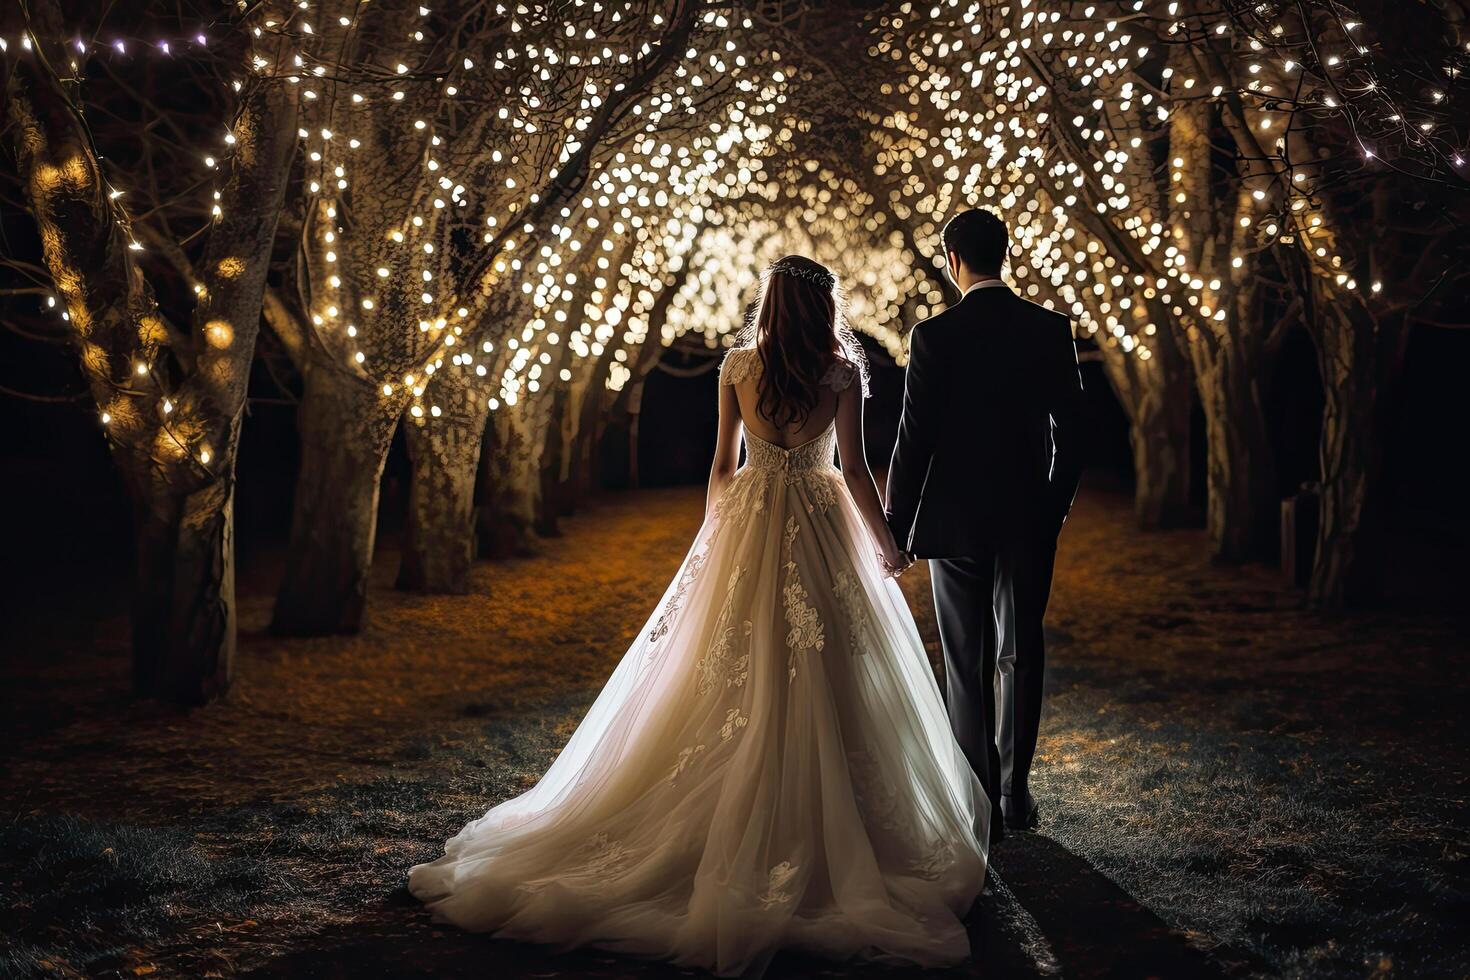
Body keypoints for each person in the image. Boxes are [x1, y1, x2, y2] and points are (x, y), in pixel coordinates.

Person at [410, 255, 988, 977]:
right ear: (823, 308)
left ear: (770, 303)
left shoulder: (738, 367)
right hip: (819, 515)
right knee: (832, 662)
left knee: (725, 665)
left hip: (747, 516)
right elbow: (858, 469)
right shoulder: (840, 371)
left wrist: (712, 543)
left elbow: (721, 464)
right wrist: (888, 543)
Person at [885, 207, 1084, 843]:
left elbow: (913, 443)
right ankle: (1016, 793)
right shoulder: (1050, 330)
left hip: (953, 519)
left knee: (965, 659)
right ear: (1005, 254)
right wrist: (1052, 511)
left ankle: (978, 799)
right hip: (1028, 516)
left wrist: (897, 524)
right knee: (1020, 652)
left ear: (952, 260)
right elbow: (1074, 435)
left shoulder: (934, 337)